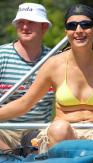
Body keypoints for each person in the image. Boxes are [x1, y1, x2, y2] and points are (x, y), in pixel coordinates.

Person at [0, 4, 93, 153]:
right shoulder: (53, 64)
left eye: (85, 25)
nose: (78, 30)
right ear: (66, 32)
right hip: (63, 134)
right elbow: (25, 103)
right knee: (59, 128)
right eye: (72, 26)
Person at [0, 2, 55, 150]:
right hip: (4, 132)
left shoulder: (55, 59)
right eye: (21, 23)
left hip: (40, 133)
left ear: (44, 27)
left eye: (31, 23)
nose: (25, 27)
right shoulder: (2, 56)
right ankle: (10, 154)